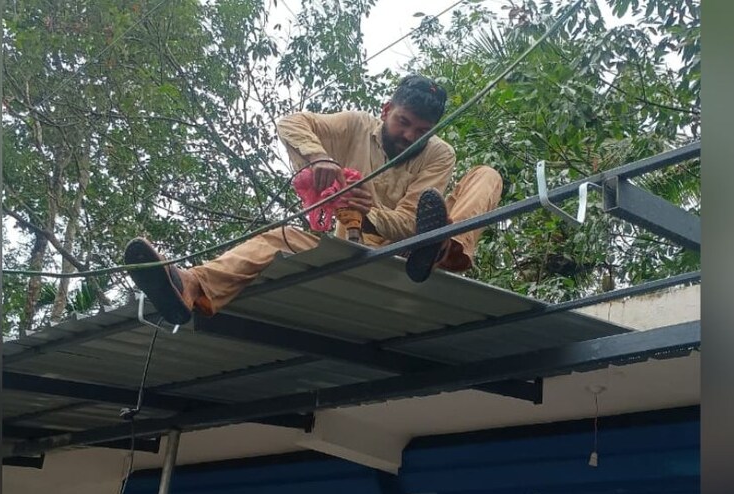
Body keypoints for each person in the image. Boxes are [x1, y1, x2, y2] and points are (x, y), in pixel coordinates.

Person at [124, 74, 503, 325]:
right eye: (402, 122)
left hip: (411, 248)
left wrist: (369, 210)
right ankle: (190, 286)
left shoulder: (439, 154)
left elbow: (411, 222)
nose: (408, 135)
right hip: (346, 246)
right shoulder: (356, 124)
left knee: (487, 176)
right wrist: (319, 157)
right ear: (386, 111)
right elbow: (290, 123)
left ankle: (439, 249)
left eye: (421, 130)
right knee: (278, 236)